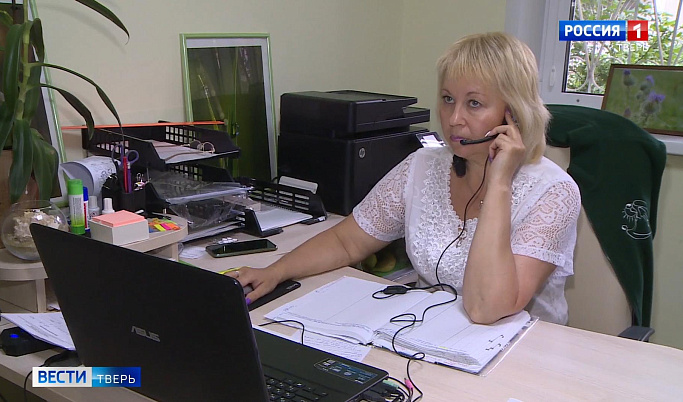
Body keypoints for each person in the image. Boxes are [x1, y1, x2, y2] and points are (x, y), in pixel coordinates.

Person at [230, 32, 581, 325]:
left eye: (474, 104)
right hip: (427, 333)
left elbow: (487, 308)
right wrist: (275, 271)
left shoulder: (554, 192)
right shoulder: (424, 165)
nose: (453, 118)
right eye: (448, 99)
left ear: (513, 114)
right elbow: (347, 242)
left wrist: (500, 183)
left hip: (519, 355)